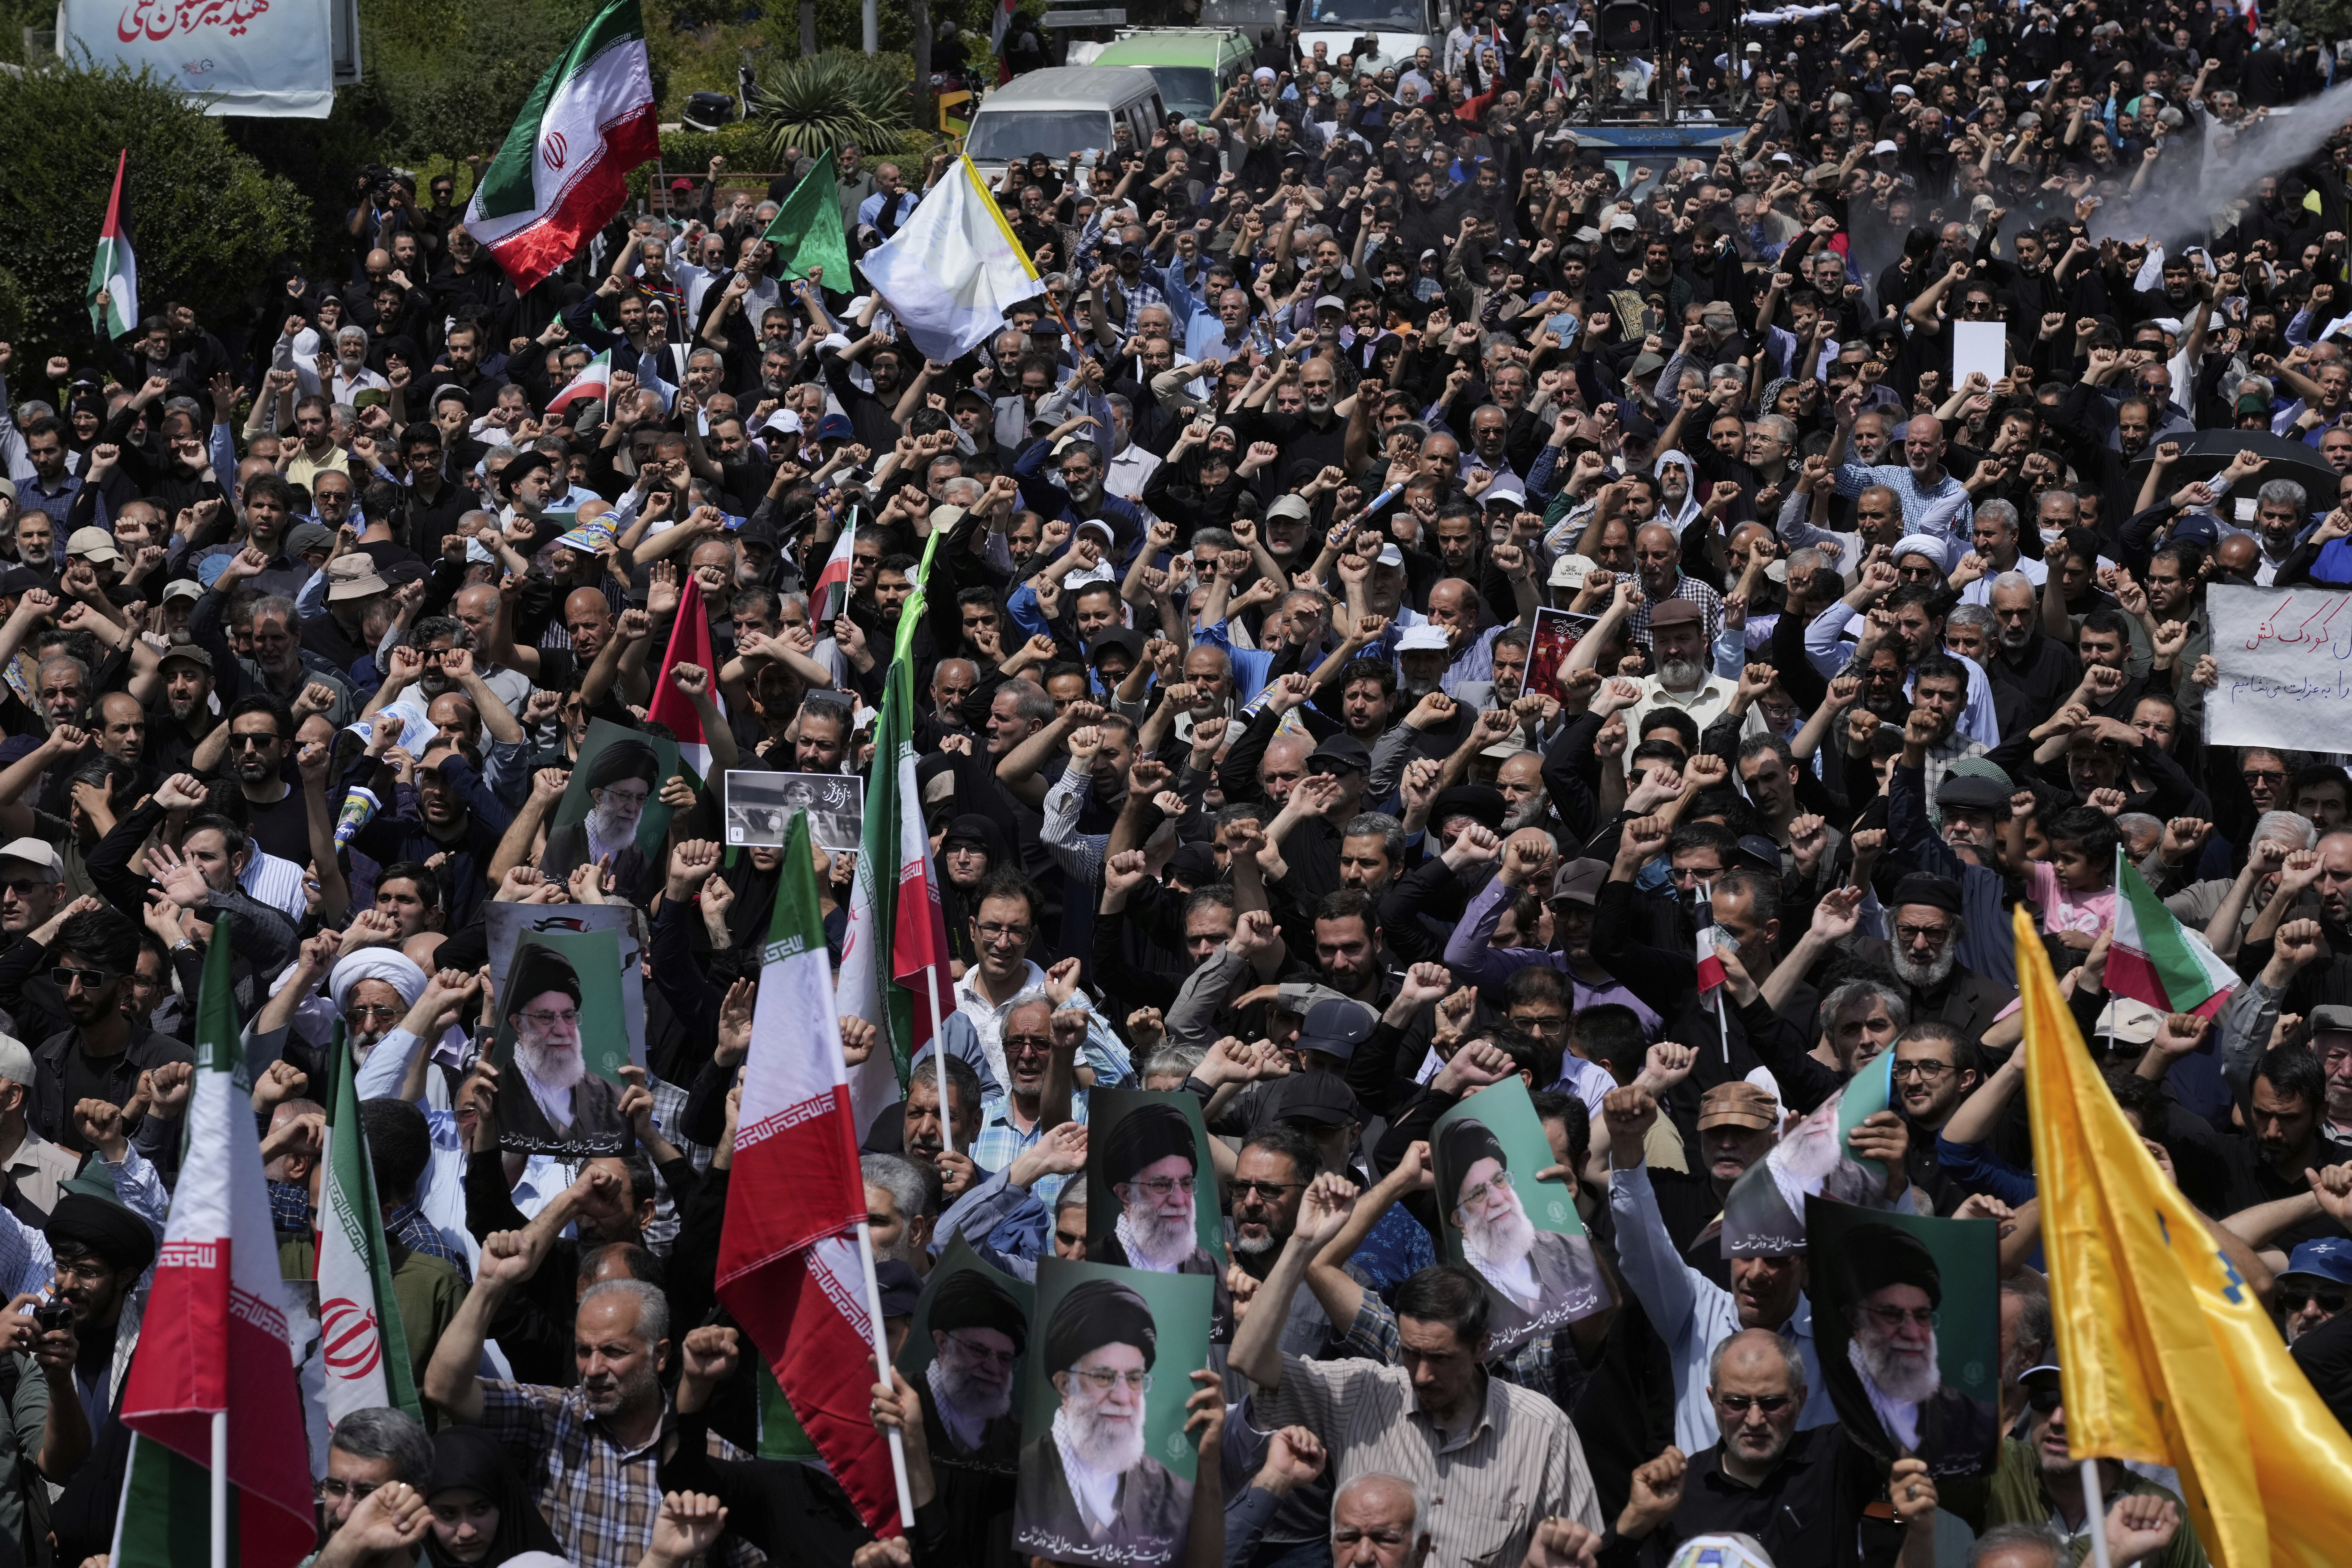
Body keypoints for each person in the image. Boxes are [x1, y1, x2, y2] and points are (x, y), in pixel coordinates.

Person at [1012, 1277, 1192, 1564]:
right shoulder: (1018, 1478)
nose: (1123, 1397)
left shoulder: (1177, 1494)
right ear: (1064, 1386)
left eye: (1134, 1379)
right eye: (1103, 1377)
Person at [1435, 1116, 1607, 1353]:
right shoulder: (1459, 1298)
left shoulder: (1566, 1245)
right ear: (1458, 1220)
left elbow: (1607, 1312)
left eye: (1499, 1180)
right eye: (1478, 1194)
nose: (1498, 1199)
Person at [1833, 1224, 1997, 1474]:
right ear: (1854, 1319)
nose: (1912, 1333)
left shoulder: (1976, 1421)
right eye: (1891, 1314)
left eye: (1922, 1316)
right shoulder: (1825, 1396)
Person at [494, 945, 626, 1153]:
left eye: (569, 1016)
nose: (563, 1031)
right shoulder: (494, 1095)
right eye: (546, 1017)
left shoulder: (614, 1099)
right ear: (519, 1025)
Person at [920, 1267, 1026, 1473]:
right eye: (978, 1350)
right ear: (942, 1343)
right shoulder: (899, 1402)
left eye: (1005, 1358)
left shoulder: (1018, 1437)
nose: (994, 1369)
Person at [1094, 1101, 1217, 1276]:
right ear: (1126, 1195)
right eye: (1161, 1185)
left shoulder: (1210, 1269)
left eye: (1186, 1184)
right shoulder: (1092, 1262)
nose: (1179, 1200)